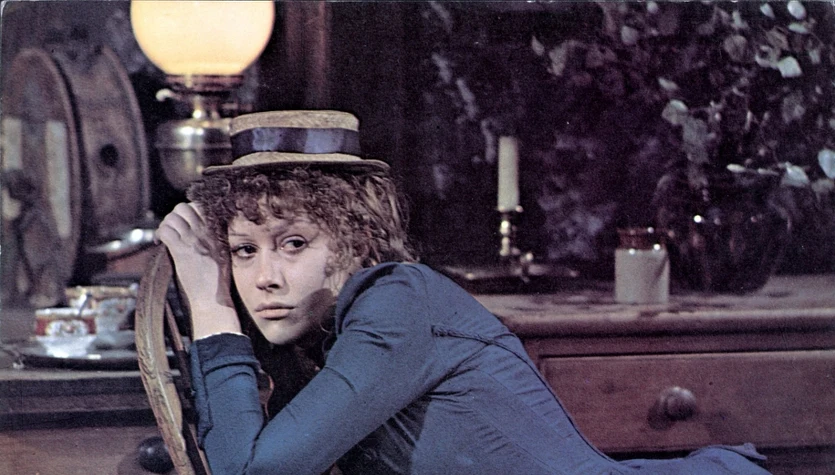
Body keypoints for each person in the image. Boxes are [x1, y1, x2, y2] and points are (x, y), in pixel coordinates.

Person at [156, 110, 771, 475]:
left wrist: (210, 305)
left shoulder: (399, 301)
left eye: (293, 243)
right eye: (243, 251)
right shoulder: (323, 337)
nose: (264, 276)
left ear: (355, 240)